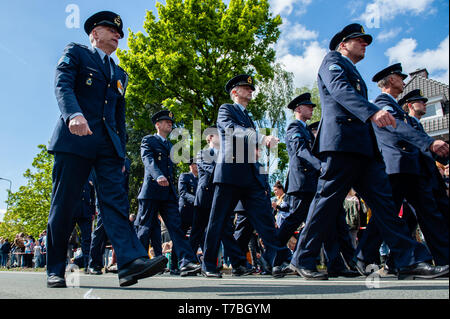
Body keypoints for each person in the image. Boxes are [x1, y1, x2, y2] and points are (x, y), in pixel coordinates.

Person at [290, 23, 448, 280]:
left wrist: (423, 142)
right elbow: (341, 92)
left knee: (385, 204)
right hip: (341, 145)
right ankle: (303, 257)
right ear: (343, 44)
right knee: (326, 202)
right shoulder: (332, 61)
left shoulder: (352, 70)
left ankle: (408, 259)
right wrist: (373, 111)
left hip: (363, 150)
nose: (364, 44)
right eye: (359, 40)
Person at [46, 11, 167, 288]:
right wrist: (73, 114)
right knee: (64, 204)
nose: (117, 35)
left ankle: (128, 264)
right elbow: (63, 84)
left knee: (115, 203)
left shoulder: (119, 72)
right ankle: (55, 268)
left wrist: (122, 152)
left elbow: (118, 115)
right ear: (94, 33)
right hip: (75, 137)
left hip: (108, 147)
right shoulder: (76, 53)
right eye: (111, 30)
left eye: (119, 33)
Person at [358, 63, 449, 267]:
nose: (403, 81)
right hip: (397, 168)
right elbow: (396, 128)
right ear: (391, 80)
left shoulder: (396, 107)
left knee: (427, 214)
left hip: (410, 168)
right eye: (400, 77)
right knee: (387, 215)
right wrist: (429, 143)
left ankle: (443, 258)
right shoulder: (383, 103)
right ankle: (364, 255)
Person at [201, 74, 291, 277]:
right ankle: (208, 264)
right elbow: (232, 131)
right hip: (230, 174)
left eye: (251, 88)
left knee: (265, 218)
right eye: (245, 88)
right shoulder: (226, 109)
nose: (251, 91)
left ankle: (279, 260)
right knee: (218, 220)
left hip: (250, 176)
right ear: (235, 92)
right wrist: (261, 137)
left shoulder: (249, 118)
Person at [134, 110, 201, 277]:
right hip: (151, 191)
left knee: (176, 227)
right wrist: (158, 175)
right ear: (158, 125)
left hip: (168, 194)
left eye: (171, 122)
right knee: (145, 227)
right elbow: (148, 160)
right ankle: (136, 261)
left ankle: (186, 262)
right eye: (166, 121)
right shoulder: (148, 140)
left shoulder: (171, 146)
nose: (170, 123)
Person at [190, 126, 250, 277]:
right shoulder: (203, 153)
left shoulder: (225, 155)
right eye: (218, 135)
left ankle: (238, 263)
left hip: (221, 200)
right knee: (197, 233)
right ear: (210, 138)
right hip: (205, 199)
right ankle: (186, 262)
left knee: (226, 231)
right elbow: (212, 170)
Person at [400, 89, 449, 225]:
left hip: (430, 176)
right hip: (418, 176)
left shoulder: (418, 125)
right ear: (410, 105)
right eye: (421, 102)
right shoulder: (407, 125)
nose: (424, 104)